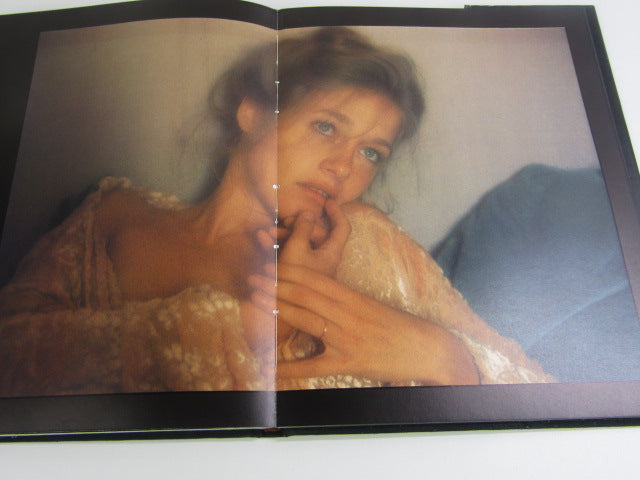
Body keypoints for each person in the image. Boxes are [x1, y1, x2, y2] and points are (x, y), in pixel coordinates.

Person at [0, 27, 552, 397]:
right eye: (326, 126)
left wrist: (446, 358)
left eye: (371, 152)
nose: (343, 167)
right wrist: (257, 319)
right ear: (252, 113)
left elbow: (538, 391)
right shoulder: (117, 216)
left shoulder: (372, 240)